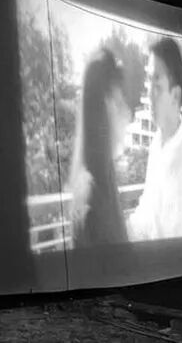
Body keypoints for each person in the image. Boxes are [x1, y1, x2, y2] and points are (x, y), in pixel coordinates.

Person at [127, 38, 182, 241]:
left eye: (157, 85)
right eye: (148, 82)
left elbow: (178, 255)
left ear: (175, 96)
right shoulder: (157, 145)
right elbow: (145, 214)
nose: (149, 94)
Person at [69, 49, 132, 247]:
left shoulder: (101, 178)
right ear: (106, 108)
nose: (127, 114)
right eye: (120, 101)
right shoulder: (91, 198)